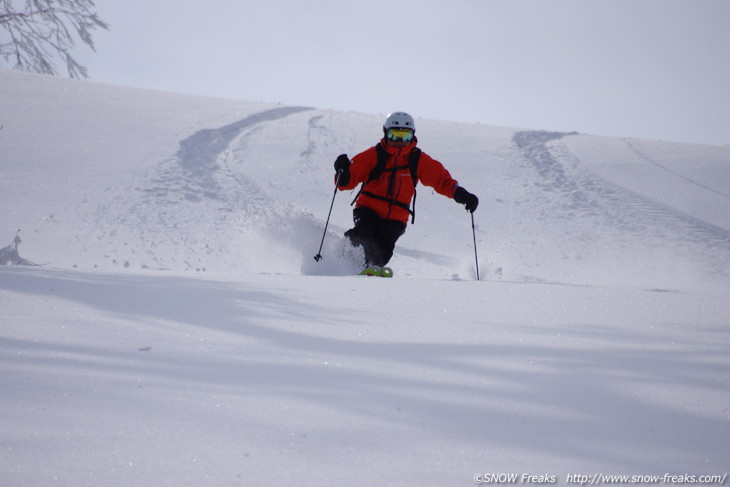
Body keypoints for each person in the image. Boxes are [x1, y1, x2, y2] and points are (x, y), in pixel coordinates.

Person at [334, 111, 479, 273]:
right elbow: (348, 180)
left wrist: (461, 194)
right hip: (368, 207)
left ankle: (370, 267)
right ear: (386, 134)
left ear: (412, 136)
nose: (400, 142)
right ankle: (341, 257)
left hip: (397, 216)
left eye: (405, 136)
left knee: (384, 247)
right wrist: (344, 174)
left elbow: (441, 180)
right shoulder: (374, 155)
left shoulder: (417, 160)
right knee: (365, 230)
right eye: (395, 135)